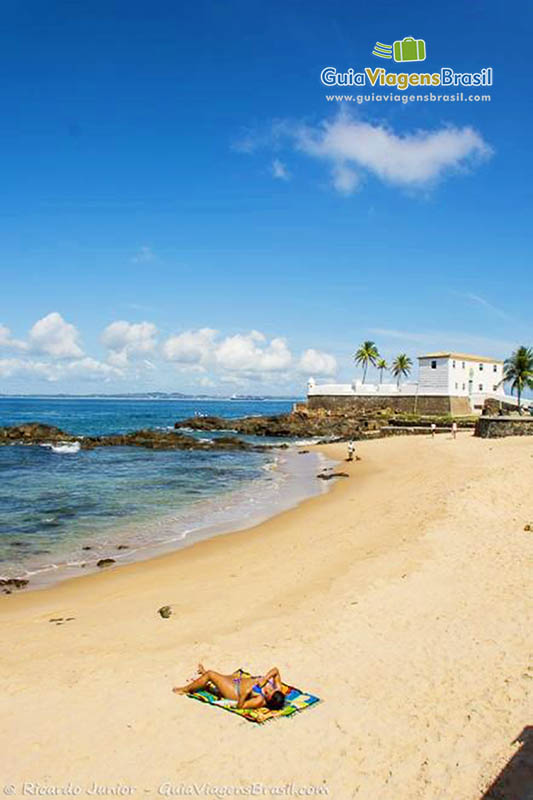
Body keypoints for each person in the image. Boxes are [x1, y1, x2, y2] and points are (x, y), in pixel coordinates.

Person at [173, 663, 286, 711]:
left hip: (234, 691)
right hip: (238, 680)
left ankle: (185, 689)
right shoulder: (277, 690)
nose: (267, 690)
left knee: (211, 674)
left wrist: (244, 695)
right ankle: (204, 679)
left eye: (267, 694)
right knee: (219, 677)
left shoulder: (260, 700)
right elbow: (275, 670)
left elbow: (240, 707)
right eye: (270, 690)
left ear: (268, 700)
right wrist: (265, 679)